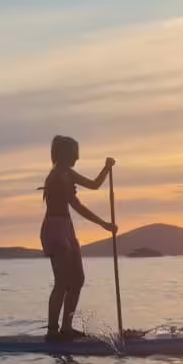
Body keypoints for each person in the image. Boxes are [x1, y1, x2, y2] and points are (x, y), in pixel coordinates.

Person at [40, 136, 115, 342]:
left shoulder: (68, 173)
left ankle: (66, 328)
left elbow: (94, 185)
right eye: (74, 152)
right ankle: (53, 332)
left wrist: (106, 168)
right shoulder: (57, 176)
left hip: (66, 228)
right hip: (55, 229)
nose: (77, 156)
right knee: (62, 282)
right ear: (65, 153)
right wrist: (103, 224)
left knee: (78, 280)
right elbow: (77, 205)